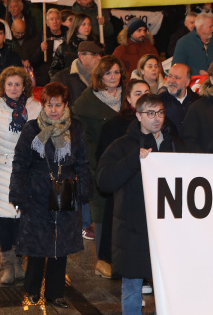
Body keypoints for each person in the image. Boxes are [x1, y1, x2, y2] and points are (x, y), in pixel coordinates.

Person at [9, 82, 92, 309]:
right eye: (49, 105)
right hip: (37, 190)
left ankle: (56, 293)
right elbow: (20, 164)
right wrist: (17, 194)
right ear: (43, 105)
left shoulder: (76, 128)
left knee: (60, 243)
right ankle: (33, 290)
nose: (53, 109)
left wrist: (84, 189)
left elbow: (83, 162)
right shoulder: (31, 129)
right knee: (37, 243)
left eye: (58, 104)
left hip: (65, 188)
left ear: (66, 105)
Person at [97, 93, 182, 314]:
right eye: (150, 113)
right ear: (138, 115)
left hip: (167, 228)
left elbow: (201, 167)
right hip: (133, 228)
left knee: (166, 288)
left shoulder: (174, 144)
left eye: (161, 112)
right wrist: (134, 159)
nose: (157, 118)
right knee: (133, 288)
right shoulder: (123, 146)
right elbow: (104, 180)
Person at [0, 66, 41, 285]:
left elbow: (43, 142)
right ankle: (7, 264)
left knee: (23, 221)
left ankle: (19, 263)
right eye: (10, 84)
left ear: (25, 86)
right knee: (6, 222)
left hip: (27, 173)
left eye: (18, 84)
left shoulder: (35, 108)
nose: (14, 88)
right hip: (1, 171)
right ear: (3, 86)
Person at [93, 80, 152, 279]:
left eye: (146, 92)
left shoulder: (162, 129)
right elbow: (103, 160)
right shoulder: (114, 125)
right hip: (122, 189)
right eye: (137, 93)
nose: (143, 96)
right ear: (128, 98)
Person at [72, 55, 125, 275]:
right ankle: (103, 260)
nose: (113, 77)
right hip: (99, 166)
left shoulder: (131, 98)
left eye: (117, 72)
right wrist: (96, 165)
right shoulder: (86, 103)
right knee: (102, 214)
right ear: (99, 76)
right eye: (108, 73)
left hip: (129, 165)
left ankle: (124, 259)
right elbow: (84, 139)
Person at [51, 41, 103, 105]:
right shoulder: (61, 79)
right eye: (94, 55)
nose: (99, 58)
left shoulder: (104, 76)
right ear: (82, 57)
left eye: (100, 54)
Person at [50, 13, 101, 77]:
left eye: (89, 24)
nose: (87, 27)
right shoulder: (65, 47)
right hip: (71, 82)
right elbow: (54, 70)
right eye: (84, 24)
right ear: (76, 26)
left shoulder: (97, 45)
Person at [159, 63, 199, 135]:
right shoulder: (159, 102)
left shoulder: (198, 102)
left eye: (177, 78)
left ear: (187, 82)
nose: (172, 80)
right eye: (170, 76)